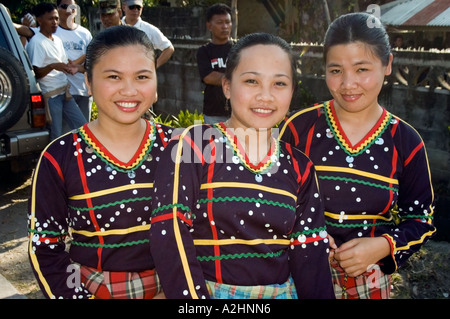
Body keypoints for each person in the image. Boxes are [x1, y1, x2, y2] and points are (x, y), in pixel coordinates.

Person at [150, 32, 335, 299]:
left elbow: (310, 253)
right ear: (226, 86)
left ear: (293, 91)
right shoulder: (193, 146)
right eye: (251, 81)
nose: (265, 96)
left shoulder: (300, 166)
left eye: (279, 84)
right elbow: (170, 231)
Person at [279, 12, 436, 299]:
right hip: (296, 277)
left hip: (370, 286)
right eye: (336, 70)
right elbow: (272, 197)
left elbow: (421, 219)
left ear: (387, 64)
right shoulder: (299, 128)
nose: (348, 84)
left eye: (362, 69)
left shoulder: (406, 141)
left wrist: (383, 245)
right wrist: (304, 233)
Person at [28, 25, 172, 299]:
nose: (129, 90)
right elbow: (45, 248)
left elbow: (205, 230)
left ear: (155, 80)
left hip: (174, 287)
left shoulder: (179, 148)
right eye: (114, 77)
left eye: (142, 76)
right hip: (93, 290)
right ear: (88, 83)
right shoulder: (59, 157)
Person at [26, 2, 86, 140]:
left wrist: (70, 67)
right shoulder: (36, 42)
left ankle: (83, 159)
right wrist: (52, 66)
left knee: (83, 127)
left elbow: (62, 64)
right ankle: (54, 161)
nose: (55, 22)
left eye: (56, 18)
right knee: (56, 137)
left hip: (65, 92)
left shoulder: (57, 40)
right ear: (39, 20)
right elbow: (36, 74)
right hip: (51, 97)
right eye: (50, 19)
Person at [56, 0, 93, 122]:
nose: (69, 10)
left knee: (84, 132)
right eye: (64, 6)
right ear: (57, 8)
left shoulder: (85, 33)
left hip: (83, 90)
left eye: (72, 7)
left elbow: (92, 60)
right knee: (65, 135)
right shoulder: (51, 32)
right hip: (60, 92)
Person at [196, 3, 233, 124]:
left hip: (238, 111)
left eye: (228, 22)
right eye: (220, 22)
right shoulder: (204, 51)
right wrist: (236, 78)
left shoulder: (240, 49)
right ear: (209, 26)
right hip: (213, 113)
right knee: (213, 143)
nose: (225, 26)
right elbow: (208, 77)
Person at [121, 0, 174, 68]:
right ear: (123, 7)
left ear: (142, 8)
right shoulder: (116, 27)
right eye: (132, 7)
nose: (135, 10)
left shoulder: (149, 29)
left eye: (138, 7)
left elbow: (169, 48)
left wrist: (153, 67)